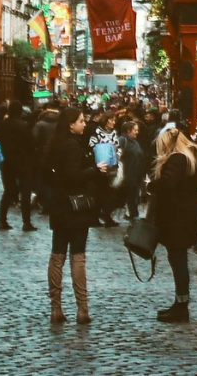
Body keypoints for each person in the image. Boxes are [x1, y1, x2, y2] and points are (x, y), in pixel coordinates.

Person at [45, 107, 106, 324]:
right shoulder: (71, 145)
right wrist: (95, 170)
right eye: (80, 121)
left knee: (57, 255)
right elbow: (73, 176)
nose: (84, 123)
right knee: (77, 256)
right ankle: (82, 308)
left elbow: (48, 173)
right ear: (70, 124)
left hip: (59, 204)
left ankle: (56, 308)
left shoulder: (55, 142)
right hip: (76, 206)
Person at [148, 124, 197, 323]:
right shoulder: (194, 156)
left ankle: (181, 307)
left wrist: (150, 185)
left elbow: (167, 184)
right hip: (189, 213)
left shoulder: (177, 159)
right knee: (179, 259)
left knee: (178, 260)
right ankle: (180, 303)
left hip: (177, 216)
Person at [0, 104, 38, 231]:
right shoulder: (24, 126)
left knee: (9, 191)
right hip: (23, 162)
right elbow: (32, 143)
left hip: (6, 162)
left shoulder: (1, 126)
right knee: (25, 192)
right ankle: (26, 222)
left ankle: (2, 220)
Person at [89, 112, 122, 226]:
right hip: (101, 166)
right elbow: (92, 145)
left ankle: (107, 216)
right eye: (111, 120)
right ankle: (95, 217)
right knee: (100, 192)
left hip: (112, 166)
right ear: (106, 120)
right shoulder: (97, 132)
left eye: (114, 120)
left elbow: (117, 145)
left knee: (111, 193)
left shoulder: (114, 133)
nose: (113, 122)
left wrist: (118, 153)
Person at [120, 119, 147, 221]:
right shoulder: (123, 140)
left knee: (133, 196)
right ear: (128, 130)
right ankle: (134, 217)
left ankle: (133, 216)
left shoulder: (134, 141)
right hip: (129, 174)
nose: (137, 132)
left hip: (136, 174)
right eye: (135, 130)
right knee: (132, 197)